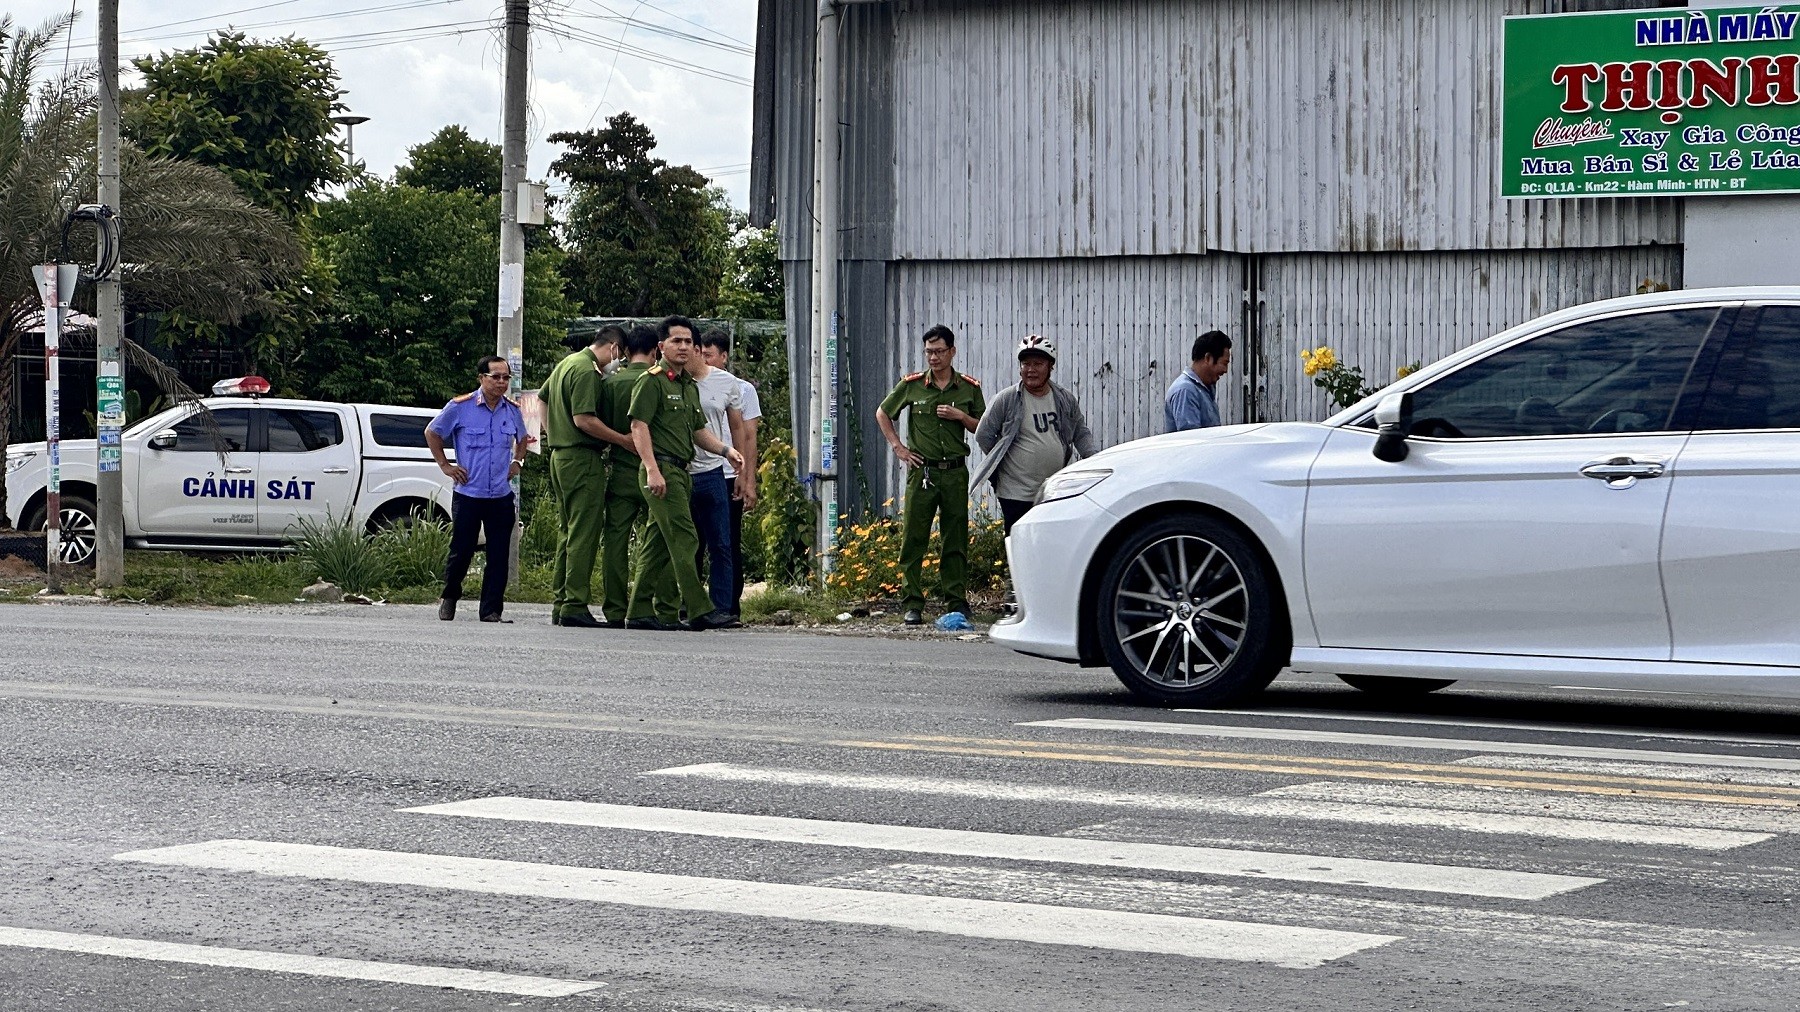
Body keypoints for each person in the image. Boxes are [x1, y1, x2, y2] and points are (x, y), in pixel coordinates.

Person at [625, 316, 745, 631]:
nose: (683, 346)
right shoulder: (652, 381)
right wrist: (652, 469)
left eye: (688, 341)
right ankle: (698, 609)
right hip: (661, 469)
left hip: (682, 471)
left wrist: (725, 451)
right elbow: (638, 426)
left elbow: (697, 430)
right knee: (686, 537)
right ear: (661, 346)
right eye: (676, 341)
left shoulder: (686, 385)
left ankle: (638, 611)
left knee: (657, 543)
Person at [876, 324, 985, 626]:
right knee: (914, 537)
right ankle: (912, 602)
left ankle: (956, 601)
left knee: (955, 537)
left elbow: (984, 427)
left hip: (954, 473)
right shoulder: (912, 385)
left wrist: (961, 416)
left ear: (952, 351)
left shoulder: (968, 388)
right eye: (929, 352)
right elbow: (883, 412)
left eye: (939, 352)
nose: (933, 358)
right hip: (922, 471)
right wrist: (898, 447)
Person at [426, 356, 529, 623]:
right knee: (462, 550)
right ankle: (450, 597)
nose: (502, 383)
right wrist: (445, 465)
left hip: (500, 495)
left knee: (498, 555)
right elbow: (432, 432)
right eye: (496, 377)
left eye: (506, 377)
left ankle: (491, 610)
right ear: (481, 378)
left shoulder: (512, 410)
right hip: (468, 493)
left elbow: (522, 439)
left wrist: (518, 461)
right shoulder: (461, 407)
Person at [542, 326, 631, 627]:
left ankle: (561, 603)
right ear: (615, 348)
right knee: (584, 532)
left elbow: (542, 399)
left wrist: (552, 430)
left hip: (559, 455)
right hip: (581, 458)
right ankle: (575, 604)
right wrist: (621, 439)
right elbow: (584, 420)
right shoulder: (587, 371)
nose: (618, 363)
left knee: (567, 530)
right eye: (621, 356)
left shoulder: (566, 363)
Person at [973, 334, 1100, 533]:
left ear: (1051, 366)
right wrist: (1005, 462)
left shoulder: (1064, 398)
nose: (1031, 369)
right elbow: (984, 435)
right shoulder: (1006, 400)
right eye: (1025, 364)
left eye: (1038, 363)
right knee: (1020, 543)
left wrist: (1094, 460)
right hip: (1016, 493)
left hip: (1055, 490)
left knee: (1053, 541)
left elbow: (1080, 432)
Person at [597, 325, 660, 627]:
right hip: (656, 471)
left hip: (620, 469)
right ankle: (652, 605)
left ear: (625, 351)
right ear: (655, 350)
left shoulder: (610, 383)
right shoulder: (659, 382)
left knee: (615, 541)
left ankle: (614, 609)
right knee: (658, 540)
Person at [686, 329, 748, 620]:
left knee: (722, 542)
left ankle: (723, 608)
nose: (685, 352)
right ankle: (690, 605)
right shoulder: (671, 379)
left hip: (716, 469)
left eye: (691, 346)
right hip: (681, 469)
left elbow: (739, 428)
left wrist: (742, 470)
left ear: (699, 350)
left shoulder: (728, 383)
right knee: (689, 543)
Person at [699, 331, 761, 615]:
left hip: (728, 473)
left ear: (724, 356)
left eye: (709, 354)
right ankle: (694, 603)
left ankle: (729, 605)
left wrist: (748, 480)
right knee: (696, 540)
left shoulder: (743, 389)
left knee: (727, 541)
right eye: (703, 354)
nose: (704, 359)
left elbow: (748, 437)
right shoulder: (692, 383)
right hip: (699, 470)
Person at [1165, 330, 1233, 433]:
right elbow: (1192, 441)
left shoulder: (1204, 388)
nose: (1225, 370)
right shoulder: (1186, 391)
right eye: (1224, 363)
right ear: (1208, 358)